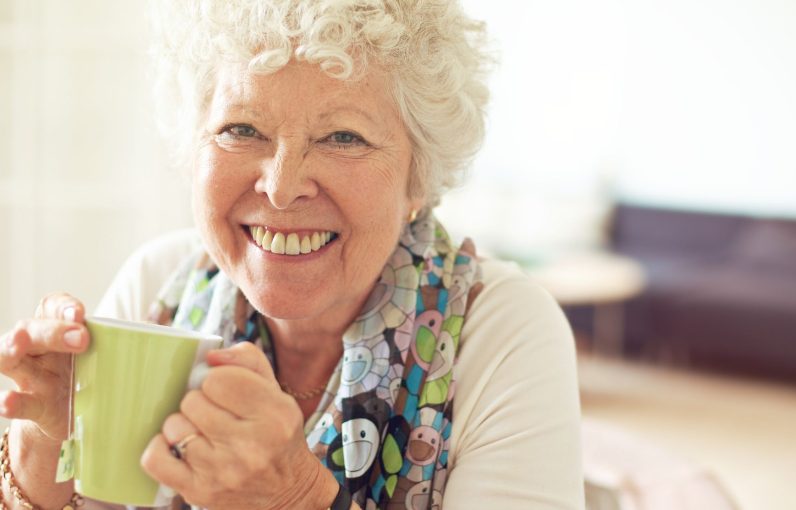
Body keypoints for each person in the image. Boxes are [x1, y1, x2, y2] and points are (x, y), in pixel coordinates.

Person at [0, 1, 583, 509]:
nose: (281, 187)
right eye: (242, 128)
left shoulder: (505, 331)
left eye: (343, 137)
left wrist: (292, 499)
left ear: (417, 179)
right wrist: (40, 455)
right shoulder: (157, 285)